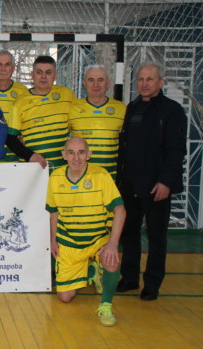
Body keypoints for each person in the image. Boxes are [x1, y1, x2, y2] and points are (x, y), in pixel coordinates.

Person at [116, 64, 187, 301]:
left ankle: (152, 284)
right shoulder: (132, 108)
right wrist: (120, 179)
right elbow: (125, 148)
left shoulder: (172, 110)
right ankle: (129, 279)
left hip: (157, 186)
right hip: (130, 183)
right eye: (141, 79)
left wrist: (165, 182)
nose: (144, 84)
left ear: (161, 82)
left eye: (150, 79)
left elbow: (176, 151)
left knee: (156, 237)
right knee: (129, 232)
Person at [46, 137, 126, 326]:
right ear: (64, 155)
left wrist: (113, 244)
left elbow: (120, 210)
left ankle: (105, 305)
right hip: (69, 242)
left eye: (81, 152)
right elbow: (53, 212)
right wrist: (53, 240)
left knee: (111, 259)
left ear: (89, 155)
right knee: (65, 297)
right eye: (71, 152)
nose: (76, 158)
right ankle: (91, 270)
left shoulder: (101, 176)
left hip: (97, 239)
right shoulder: (55, 177)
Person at [9, 55, 75, 171]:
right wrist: (29, 155)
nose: (43, 76)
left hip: (62, 170)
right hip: (32, 171)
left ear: (55, 75)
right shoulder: (20, 102)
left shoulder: (66, 94)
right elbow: (10, 138)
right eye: (39, 72)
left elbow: (79, 123)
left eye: (48, 72)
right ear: (32, 75)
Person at [70, 65, 126, 179]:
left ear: (108, 83)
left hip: (110, 178)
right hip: (80, 178)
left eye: (100, 80)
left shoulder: (121, 109)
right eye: (91, 80)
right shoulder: (72, 108)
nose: (96, 85)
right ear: (84, 83)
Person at [0, 50, 32, 162]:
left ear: (13, 68)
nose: (3, 69)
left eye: (7, 64)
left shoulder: (23, 92)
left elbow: (28, 121)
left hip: (16, 154)